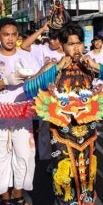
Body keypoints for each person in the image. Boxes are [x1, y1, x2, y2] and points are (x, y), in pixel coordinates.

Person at [23, 23, 103, 205]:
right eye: (71, 44)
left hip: (88, 136)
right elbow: (29, 90)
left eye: (79, 43)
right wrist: (56, 68)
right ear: (62, 45)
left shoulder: (90, 66)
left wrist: (99, 69)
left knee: (85, 180)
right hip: (61, 136)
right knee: (65, 183)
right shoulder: (52, 65)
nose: (76, 48)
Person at [0, 17, 40, 205]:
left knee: (25, 155)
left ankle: (18, 193)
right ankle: (4, 196)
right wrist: (6, 81)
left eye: (14, 34)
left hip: (23, 114)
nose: (11, 39)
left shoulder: (27, 57)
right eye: (6, 34)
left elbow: (39, 82)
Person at [21, 22, 65, 161]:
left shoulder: (68, 53)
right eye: (50, 38)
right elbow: (24, 46)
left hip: (64, 97)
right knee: (45, 129)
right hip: (45, 96)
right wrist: (41, 29)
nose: (52, 41)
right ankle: (46, 159)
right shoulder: (43, 50)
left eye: (55, 39)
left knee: (62, 129)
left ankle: (62, 157)